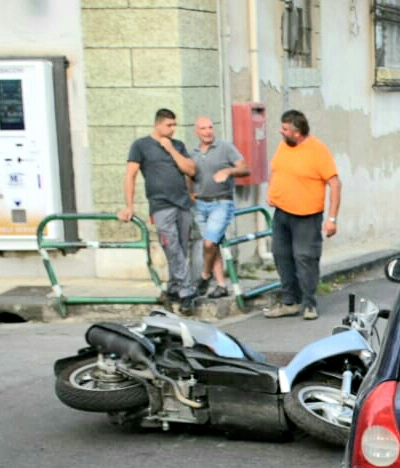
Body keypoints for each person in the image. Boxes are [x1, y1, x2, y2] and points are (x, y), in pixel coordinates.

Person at [264, 110, 342, 321]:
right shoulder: (284, 146)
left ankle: (309, 304)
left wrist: (332, 219)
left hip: (307, 216)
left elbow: (335, 184)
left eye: (285, 129)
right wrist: (271, 191)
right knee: (281, 255)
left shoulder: (317, 150)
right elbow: (276, 170)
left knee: (305, 258)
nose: (281, 131)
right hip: (282, 213)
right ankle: (290, 301)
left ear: (297, 132)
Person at [118, 109, 198, 315]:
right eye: (169, 125)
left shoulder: (177, 145)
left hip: (182, 204)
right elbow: (130, 175)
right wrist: (129, 205)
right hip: (161, 205)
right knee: (171, 246)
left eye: (174, 125)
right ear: (158, 124)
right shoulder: (141, 145)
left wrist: (171, 149)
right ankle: (186, 291)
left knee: (181, 248)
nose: (173, 129)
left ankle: (173, 287)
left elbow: (190, 170)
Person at [190, 117, 250, 299]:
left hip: (221, 202)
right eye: (203, 128)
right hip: (201, 204)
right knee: (213, 244)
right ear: (196, 132)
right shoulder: (192, 153)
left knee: (209, 243)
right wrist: (190, 192)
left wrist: (228, 171)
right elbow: (189, 174)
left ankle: (204, 275)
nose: (208, 131)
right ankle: (221, 285)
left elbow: (245, 169)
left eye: (210, 127)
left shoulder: (225, 147)